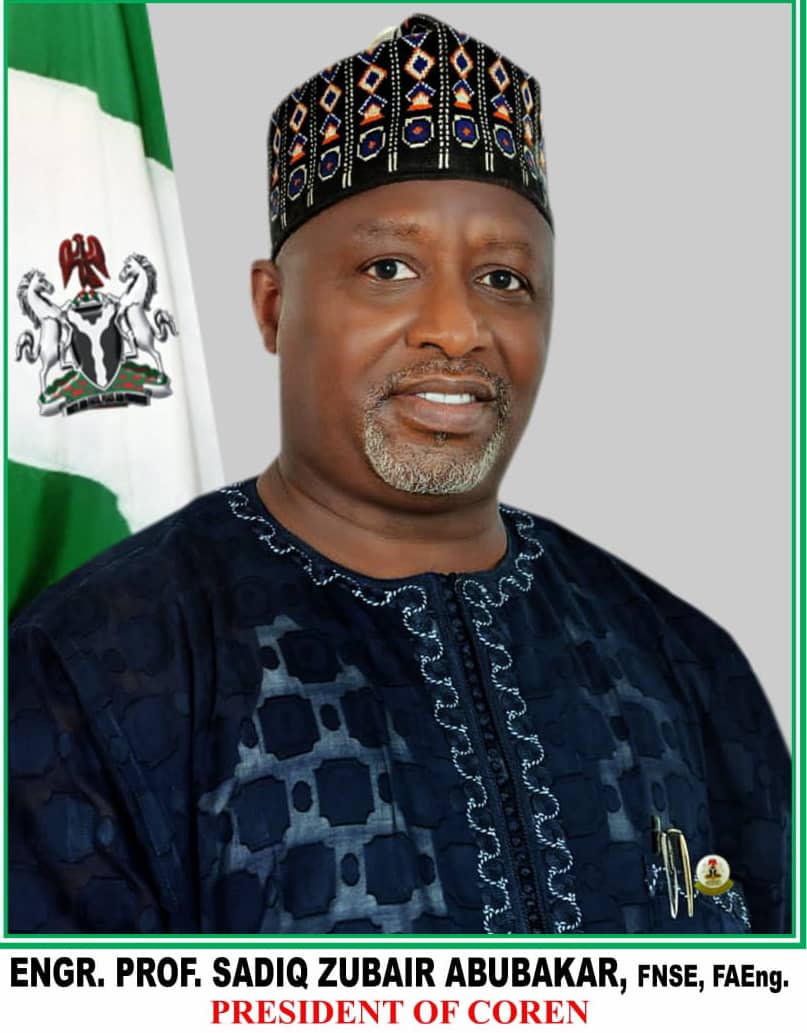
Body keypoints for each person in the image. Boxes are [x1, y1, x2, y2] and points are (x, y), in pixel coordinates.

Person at [9, 12, 790, 935]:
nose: (457, 330)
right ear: (271, 306)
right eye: (388, 267)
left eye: (504, 279)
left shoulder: (680, 659)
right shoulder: (93, 662)